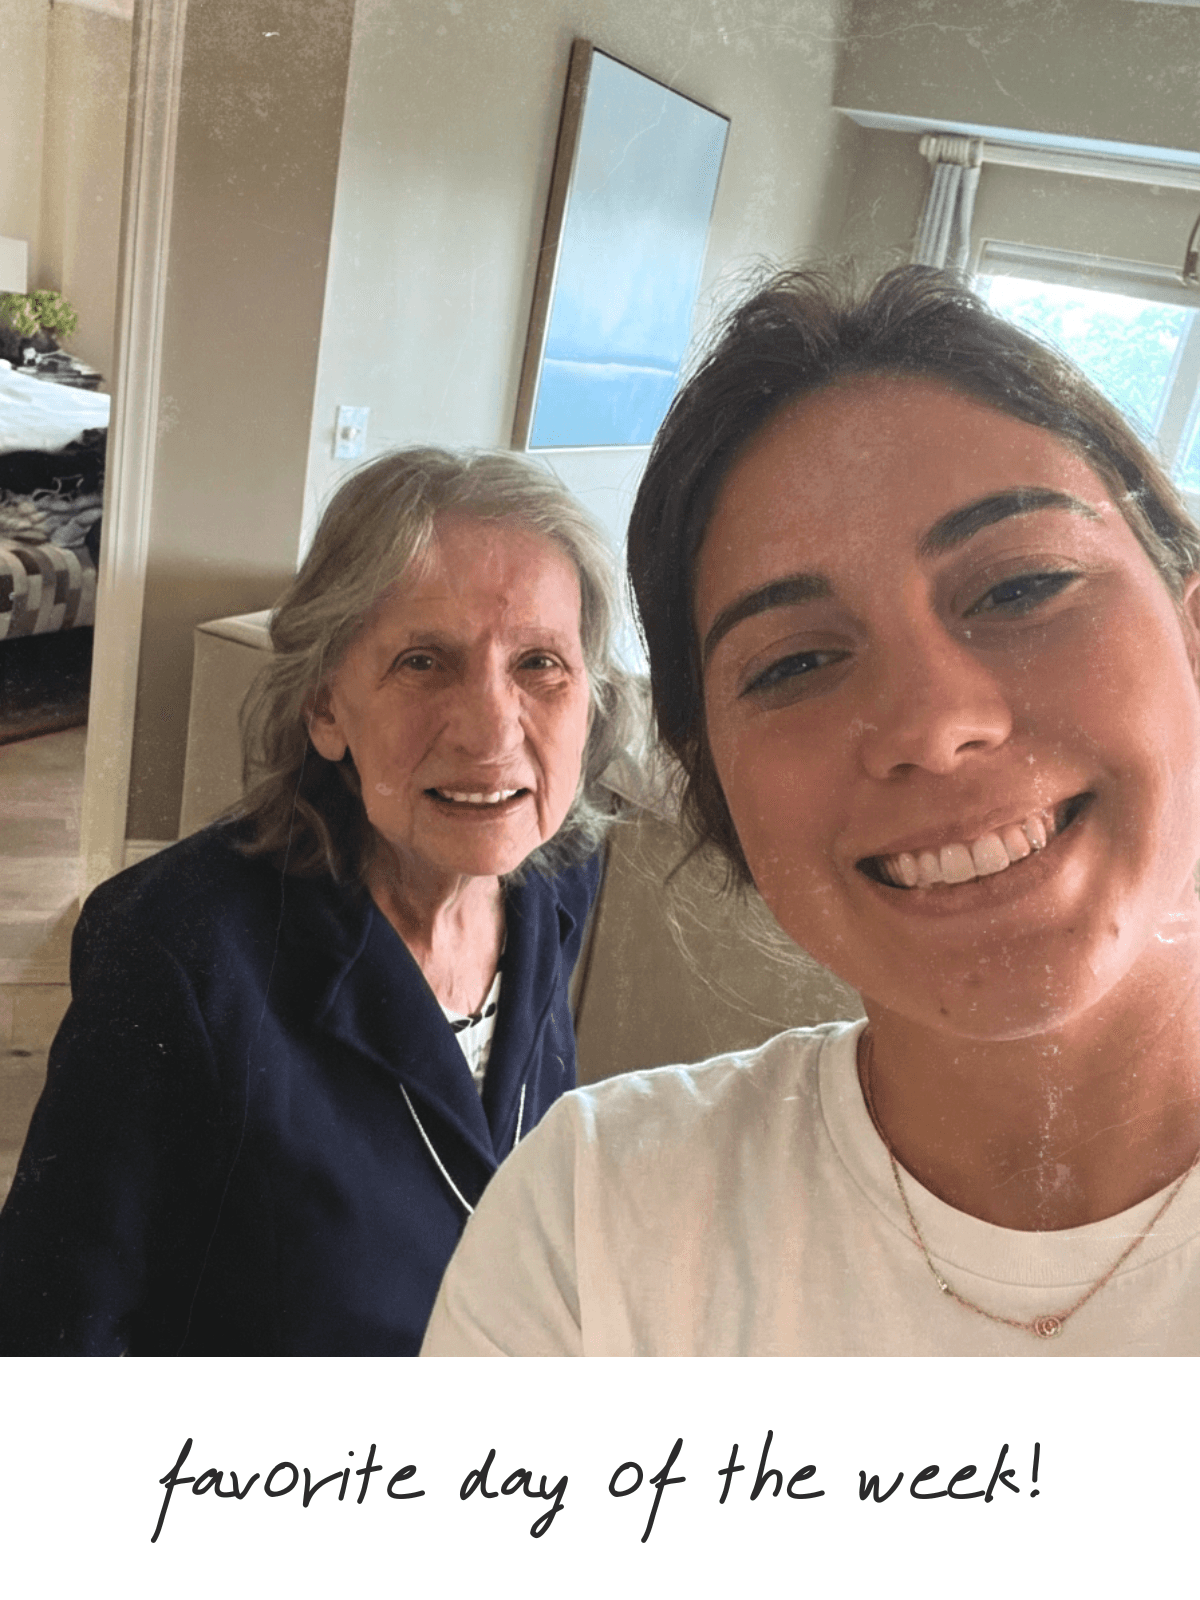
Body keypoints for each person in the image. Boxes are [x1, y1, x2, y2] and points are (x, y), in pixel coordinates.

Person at [421, 265, 1200, 1356]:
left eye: (1020, 587)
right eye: (794, 664)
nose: (932, 722)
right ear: (717, 788)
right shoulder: (592, 1222)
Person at [0, 446, 630, 1355]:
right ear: (327, 707)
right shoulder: (177, 955)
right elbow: (53, 1341)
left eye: (540, 663)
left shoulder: (552, 878)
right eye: (423, 661)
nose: (493, 728)